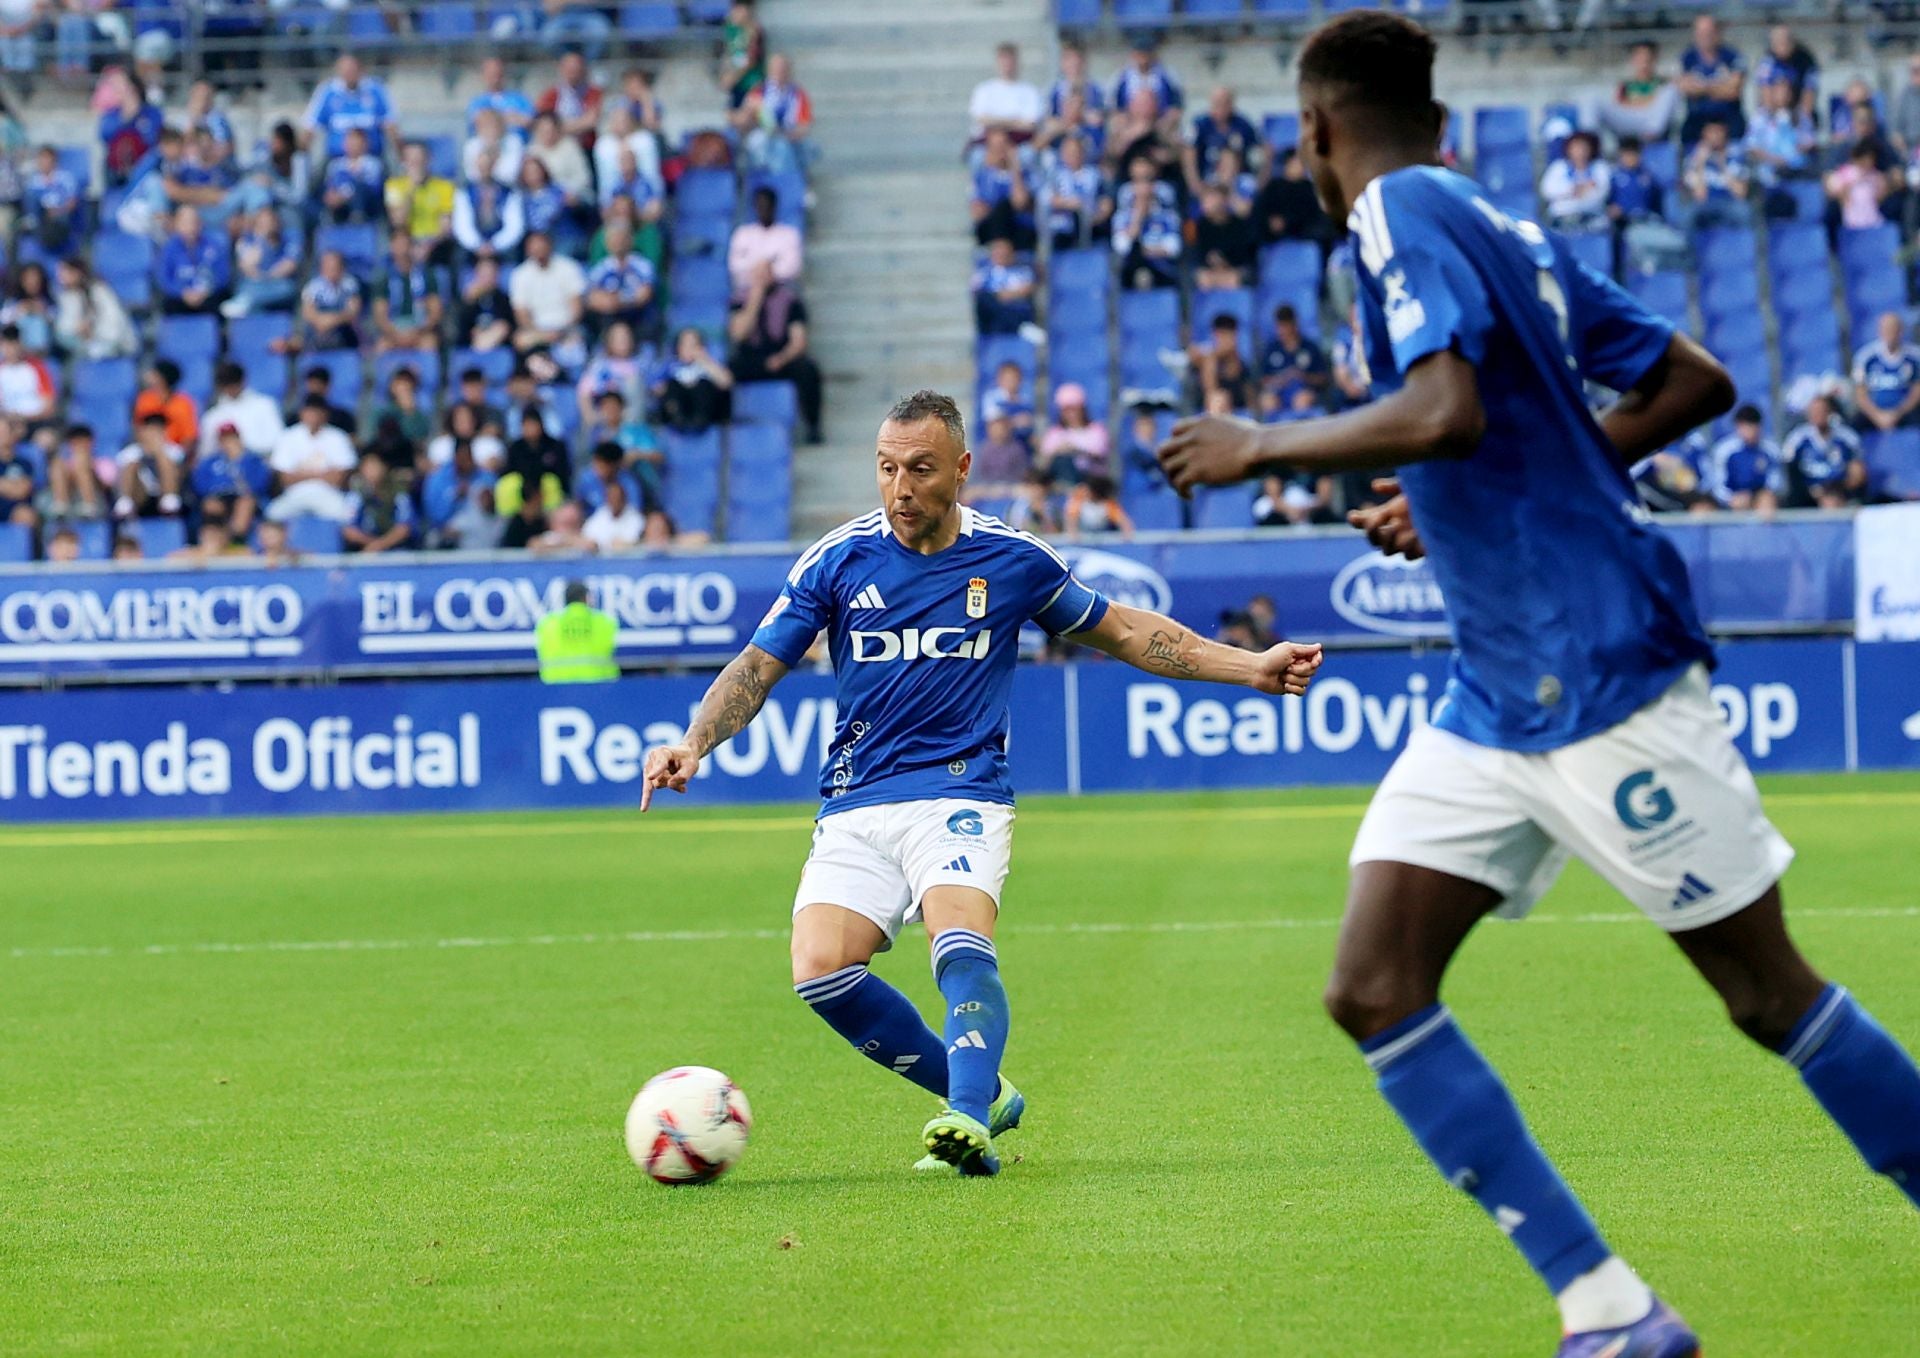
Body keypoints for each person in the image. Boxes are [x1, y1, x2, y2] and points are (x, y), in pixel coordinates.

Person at [1154, 16, 1920, 1356]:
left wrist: (1263, 441)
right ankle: (1609, 1308)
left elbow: (1445, 405)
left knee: (1765, 993)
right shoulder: (1500, 224)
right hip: (1496, 690)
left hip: (1598, 673)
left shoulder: (1395, 212)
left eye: (1307, 141)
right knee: (1373, 984)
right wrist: (1460, 486)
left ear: (1322, 129)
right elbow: (1691, 380)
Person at [637, 389, 1323, 1176]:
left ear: (961, 469)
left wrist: (1252, 668)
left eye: (920, 470)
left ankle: (963, 1118)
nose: (900, 488)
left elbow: (1129, 632)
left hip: (962, 791)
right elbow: (758, 666)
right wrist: (695, 742)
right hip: (857, 798)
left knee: (957, 937)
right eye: (887, 469)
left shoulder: (1012, 560)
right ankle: (987, 1093)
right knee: (819, 969)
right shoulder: (837, 559)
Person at [729, 262, 822, 444]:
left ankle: (813, 427)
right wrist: (755, 299)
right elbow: (739, 334)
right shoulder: (740, 299)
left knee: (808, 370)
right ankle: (728, 428)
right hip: (750, 359)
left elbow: (799, 341)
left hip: (781, 358)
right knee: (725, 375)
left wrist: (781, 359)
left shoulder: (790, 300)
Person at [268, 396, 358, 521]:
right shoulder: (288, 437)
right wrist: (322, 475)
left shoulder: (338, 437)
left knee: (347, 516)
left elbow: (338, 478)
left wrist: (301, 474)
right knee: (272, 514)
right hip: (295, 494)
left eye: (317, 412)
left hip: (328, 494)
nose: (313, 416)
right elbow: (286, 479)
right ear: (302, 413)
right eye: (309, 411)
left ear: (325, 414)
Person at [303, 54, 399, 160]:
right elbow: (310, 125)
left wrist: (400, 151)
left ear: (360, 70)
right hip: (336, 158)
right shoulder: (327, 92)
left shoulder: (376, 90)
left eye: (352, 70)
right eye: (345, 71)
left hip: (373, 156)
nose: (349, 74)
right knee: (318, 172)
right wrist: (301, 153)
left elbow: (390, 124)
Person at [1111, 154, 1181, 290]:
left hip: (1162, 267)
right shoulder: (1123, 216)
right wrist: (1138, 216)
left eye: (1147, 179)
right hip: (1132, 268)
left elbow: (1174, 247)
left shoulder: (1166, 215)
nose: (1143, 187)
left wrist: (1145, 251)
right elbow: (1121, 246)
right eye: (1137, 180)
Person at [1783, 395, 1866, 508]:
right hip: (1807, 493)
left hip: (1839, 491)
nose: (1818, 415)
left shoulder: (1847, 438)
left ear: (1829, 413)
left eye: (1821, 411)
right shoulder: (1797, 439)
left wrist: (1836, 489)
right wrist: (1812, 491)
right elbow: (1788, 471)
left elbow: (1858, 472)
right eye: (1814, 412)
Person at [191, 421, 272, 535]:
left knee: (244, 504)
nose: (228, 442)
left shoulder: (253, 460)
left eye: (231, 438)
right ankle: (217, 539)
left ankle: (236, 539)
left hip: (244, 496)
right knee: (210, 505)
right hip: (219, 496)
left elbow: (259, 485)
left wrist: (236, 462)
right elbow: (200, 485)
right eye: (224, 439)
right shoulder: (210, 462)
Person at [373, 230, 446, 354]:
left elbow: (435, 311)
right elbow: (380, 315)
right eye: (398, 244)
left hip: (420, 330)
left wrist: (417, 332)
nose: (402, 249)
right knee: (382, 347)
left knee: (429, 344)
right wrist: (396, 334)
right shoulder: (384, 277)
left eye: (405, 244)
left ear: (411, 247)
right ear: (391, 247)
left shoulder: (426, 275)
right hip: (394, 331)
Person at [1677, 14, 1746, 144]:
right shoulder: (1687, 58)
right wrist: (1720, 86)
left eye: (1709, 32)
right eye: (1701, 32)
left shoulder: (1733, 56)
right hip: (1697, 123)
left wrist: (1702, 87)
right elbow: (1687, 89)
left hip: (1730, 122)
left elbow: (1733, 91)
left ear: (1717, 32)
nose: (1705, 36)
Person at [224, 207, 302, 318]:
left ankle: (248, 301)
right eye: (263, 223)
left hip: (278, 282)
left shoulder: (288, 238)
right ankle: (250, 305)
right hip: (254, 283)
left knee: (286, 288)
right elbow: (247, 266)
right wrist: (261, 239)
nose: (268, 225)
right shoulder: (246, 239)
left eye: (270, 222)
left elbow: (289, 266)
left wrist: (267, 276)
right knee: (247, 289)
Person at [54, 257, 137, 360]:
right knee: (62, 336)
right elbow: (64, 327)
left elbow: (114, 321)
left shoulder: (99, 290)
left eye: (64, 272)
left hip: (113, 342)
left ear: (77, 273)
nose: (60, 277)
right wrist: (78, 329)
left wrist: (94, 331)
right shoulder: (66, 296)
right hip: (87, 344)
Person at [200, 362, 286, 461]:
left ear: (243, 381)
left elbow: (277, 441)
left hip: (263, 463)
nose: (231, 389)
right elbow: (207, 452)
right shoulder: (212, 416)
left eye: (234, 384)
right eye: (227, 385)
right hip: (226, 468)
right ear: (221, 387)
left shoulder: (265, 405)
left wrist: (245, 452)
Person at [1705, 405, 1784, 512]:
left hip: (1759, 499)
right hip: (1731, 501)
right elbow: (1718, 486)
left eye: (1753, 426)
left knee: (1767, 500)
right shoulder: (1724, 451)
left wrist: (1753, 497)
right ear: (1738, 427)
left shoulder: (1771, 450)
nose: (1750, 431)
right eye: (1746, 426)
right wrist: (1731, 498)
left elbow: (1776, 483)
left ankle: (1766, 528)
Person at [535, 581, 619, 682]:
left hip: (555, 687)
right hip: (598, 685)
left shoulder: (547, 624)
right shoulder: (605, 622)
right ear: (587, 598)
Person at [1851, 311, 1920, 433]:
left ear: (1901, 331)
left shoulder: (1914, 357)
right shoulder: (1866, 357)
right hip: (1874, 412)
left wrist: (1898, 412)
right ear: (1879, 331)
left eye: (1893, 329)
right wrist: (1877, 415)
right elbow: (1860, 393)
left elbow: (1917, 391)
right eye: (1886, 329)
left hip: (1904, 411)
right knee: (1853, 425)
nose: (1890, 333)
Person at [1184, 86, 1259, 195]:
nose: (1221, 108)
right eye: (1217, 103)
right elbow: (1189, 154)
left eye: (1225, 103)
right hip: (1207, 180)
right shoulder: (1200, 124)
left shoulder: (1243, 125)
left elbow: (1257, 150)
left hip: (1237, 181)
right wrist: (1195, 183)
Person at [1041, 134, 1109, 252]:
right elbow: (1047, 198)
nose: (1073, 155)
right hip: (1062, 224)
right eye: (1068, 152)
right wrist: (1070, 203)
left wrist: (1099, 214)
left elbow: (1105, 200)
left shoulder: (1094, 174)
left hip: (1091, 221)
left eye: (1076, 151)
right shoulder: (1055, 175)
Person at [1599, 41, 1677, 144]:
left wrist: (1635, 104)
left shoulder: (1663, 84)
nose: (1644, 64)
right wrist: (1648, 102)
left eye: (1647, 59)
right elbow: (1618, 107)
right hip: (1630, 128)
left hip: (1654, 129)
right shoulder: (1625, 86)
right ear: (1633, 60)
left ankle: (1651, 133)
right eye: (1640, 59)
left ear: (1654, 60)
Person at [728, 185, 802, 292]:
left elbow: (792, 267)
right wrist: (759, 268)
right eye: (760, 206)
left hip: (779, 291)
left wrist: (768, 271)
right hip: (747, 290)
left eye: (767, 206)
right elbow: (735, 265)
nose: (764, 210)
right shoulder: (743, 233)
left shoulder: (789, 234)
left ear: (774, 206)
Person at [157, 204, 228, 315]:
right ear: (177, 224)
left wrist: (205, 291)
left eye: (194, 222)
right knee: (168, 304)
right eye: (185, 223)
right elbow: (164, 278)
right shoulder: (169, 248)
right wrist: (182, 293)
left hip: (207, 296)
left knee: (221, 302)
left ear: (200, 223)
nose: (190, 227)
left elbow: (223, 275)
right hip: (180, 298)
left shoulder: (214, 245)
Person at [341, 450, 417, 553]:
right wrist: (371, 543)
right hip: (365, 548)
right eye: (367, 467)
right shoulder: (356, 495)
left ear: (384, 468)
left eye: (375, 467)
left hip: (396, 549)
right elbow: (348, 530)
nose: (371, 472)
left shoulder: (398, 494)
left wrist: (381, 544)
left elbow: (404, 528)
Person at [968, 42, 1042, 145]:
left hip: (1019, 142)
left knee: (1026, 154)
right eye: (1003, 60)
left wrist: (997, 122)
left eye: (1010, 60)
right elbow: (981, 119)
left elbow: (1030, 124)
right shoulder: (984, 90)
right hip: (988, 142)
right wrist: (1014, 122)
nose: (1007, 64)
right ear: (997, 62)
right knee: (978, 156)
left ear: (1017, 62)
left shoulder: (1030, 91)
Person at [1681, 119, 1749, 230]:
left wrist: (1722, 165)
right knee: (1688, 214)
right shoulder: (1693, 158)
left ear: (1725, 133)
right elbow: (1700, 196)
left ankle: (1746, 246)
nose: (1715, 136)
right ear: (1704, 134)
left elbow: (1740, 193)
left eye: (1718, 132)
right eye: (1711, 132)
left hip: (1729, 201)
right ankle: (1688, 247)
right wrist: (1700, 163)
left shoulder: (1736, 155)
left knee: (1744, 211)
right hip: (1706, 203)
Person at [1539, 132, 1611, 234]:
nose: (1580, 152)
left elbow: (1601, 194)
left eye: (1583, 148)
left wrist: (1573, 197)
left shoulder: (1599, 167)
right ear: (1568, 149)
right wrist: (1573, 189)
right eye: (1576, 147)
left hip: (1591, 219)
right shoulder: (1559, 167)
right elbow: (1547, 191)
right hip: (1562, 218)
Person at [1192, 182, 1257, 289]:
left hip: (1233, 269)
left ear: (1222, 201)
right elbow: (1198, 253)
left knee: (1232, 279)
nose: (1204, 203)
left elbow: (1245, 253)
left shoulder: (1238, 224)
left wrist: (1225, 262)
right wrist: (1212, 261)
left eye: (1210, 199)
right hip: (1210, 270)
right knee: (1203, 278)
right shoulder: (1201, 225)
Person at [299, 249, 363, 352]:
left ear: (342, 268)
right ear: (322, 268)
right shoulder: (312, 287)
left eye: (335, 267)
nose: (332, 271)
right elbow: (309, 315)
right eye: (328, 267)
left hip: (342, 331)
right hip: (318, 333)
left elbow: (353, 312)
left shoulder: (350, 285)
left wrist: (331, 320)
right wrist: (323, 322)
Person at [970, 237, 1036, 337]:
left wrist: (999, 295)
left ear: (1011, 254)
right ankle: (1020, 328)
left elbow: (1027, 290)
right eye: (997, 253)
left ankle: (1017, 326)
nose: (1001, 255)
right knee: (984, 299)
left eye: (1004, 253)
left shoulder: (1022, 271)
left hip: (1015, 310)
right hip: (991, 319)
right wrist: (1004, 295)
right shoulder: (983, 273)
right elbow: (976, 293)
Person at [321, 126, 385, 224]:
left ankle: (357, 221)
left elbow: (373, 188)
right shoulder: (335, 165)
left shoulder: (373, 164)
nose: (351, 145)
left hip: (367, 206)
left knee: (359, 187)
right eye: (349, 141)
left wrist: (345, 195)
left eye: (355, 142)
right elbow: (330, 186)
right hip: (340, 206)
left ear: (364, 144)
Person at [1826, 140, 1893, 231]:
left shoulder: (1875, 175)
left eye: (1871, 159)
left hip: (1873, 220)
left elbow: (1880, 197)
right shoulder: (1845, 173)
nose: (1868, 162)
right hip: (1852, 221)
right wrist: (1849, 186)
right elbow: (1833, 192)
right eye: (1865, 158)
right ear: (1857, 158)